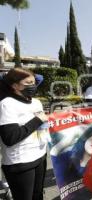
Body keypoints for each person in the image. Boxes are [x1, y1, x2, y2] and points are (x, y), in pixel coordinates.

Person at [0, 68, 49, 200]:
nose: (33, 86)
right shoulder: (7, 104)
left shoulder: (36, 102)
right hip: (20, 162)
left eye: (34, 82)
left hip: (40, 157)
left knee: (38, 195)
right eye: (28, 83)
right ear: (15, 85)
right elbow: (10, 137)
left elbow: (42, 125)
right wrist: (37, 120)